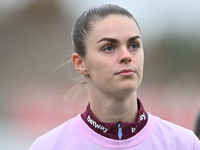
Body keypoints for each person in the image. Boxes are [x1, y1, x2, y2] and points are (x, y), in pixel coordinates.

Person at [29, 4, 200, 149]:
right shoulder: (49, 146)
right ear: (80, 63)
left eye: (134, 45)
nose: (126, 55)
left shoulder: (184, 143)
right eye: (109, 47)